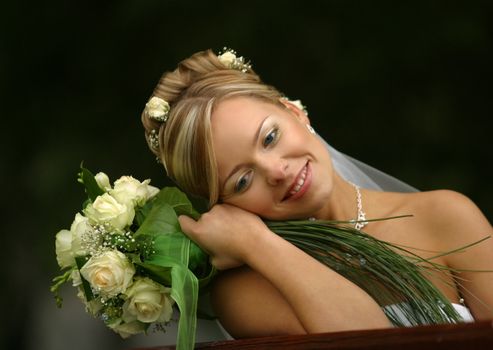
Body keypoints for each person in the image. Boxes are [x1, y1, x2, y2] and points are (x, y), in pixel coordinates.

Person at [141, 48, 493, 339]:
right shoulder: (244, 292)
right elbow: (371, 342)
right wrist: (257, 243)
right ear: (225, 207)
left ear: (295, 112)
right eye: (243, 181)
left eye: (269, 138)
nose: (277, 172)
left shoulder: (444, 216)